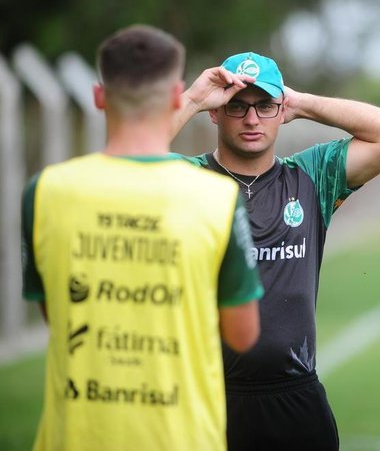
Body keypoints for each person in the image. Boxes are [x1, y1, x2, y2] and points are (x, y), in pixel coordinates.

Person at [20, 25, 264, 451]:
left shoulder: (44, 191)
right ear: (174, 96)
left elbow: (54, 314)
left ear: (98, 96)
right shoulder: (218, 198)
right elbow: (242, 335)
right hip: (181, 437)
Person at [172, 51, 380, 450]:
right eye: (237, 106)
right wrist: (194, 100)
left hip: (296, 399)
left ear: (280, 109)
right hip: (208, 399)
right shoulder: (188, 177)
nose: (252, 120)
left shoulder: (310, 176)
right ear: (216, 113)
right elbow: (123, 165)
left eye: (265, 106)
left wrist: (299, 103)